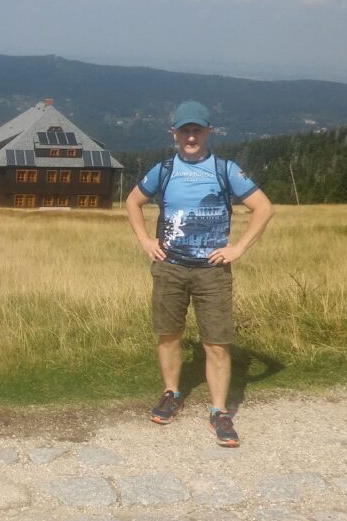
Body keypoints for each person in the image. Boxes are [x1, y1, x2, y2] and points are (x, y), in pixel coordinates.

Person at [125, 100, 274, 447]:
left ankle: (220, 412)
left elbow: (264, 208)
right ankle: (171, 393)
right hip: (170, 268)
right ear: (174, 134)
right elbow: (133, 202)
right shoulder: (163, 170)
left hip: (213, 273)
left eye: (196, 130)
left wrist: (238, 248)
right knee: (168, 335)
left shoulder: (225, 170)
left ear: (209, 132)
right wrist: (145, 240)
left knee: (217, 344)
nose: (190, 137)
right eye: (184, 131)